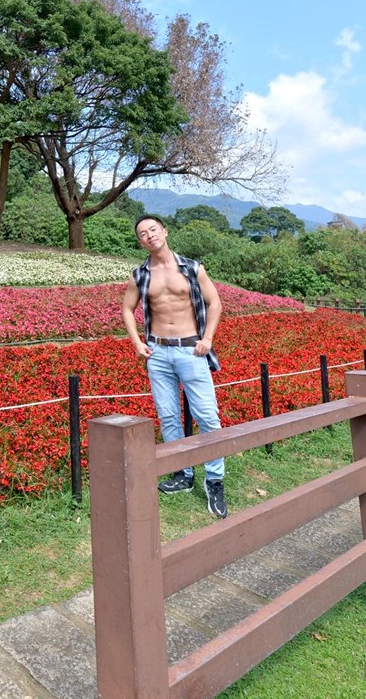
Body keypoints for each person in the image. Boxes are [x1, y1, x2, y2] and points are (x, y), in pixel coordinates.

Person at [122, 214, 227, 519]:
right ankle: (183, 473)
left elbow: (215, 302)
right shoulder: (140, 274)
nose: (149, 235)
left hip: (191, 351)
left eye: (153, 229)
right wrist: (136, 342)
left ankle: (214, 479)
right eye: (142, 233)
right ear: (140, 241)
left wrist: (207, 338)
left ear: (164, 232)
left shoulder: (193, 268)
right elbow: (127, 309)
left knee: (208, 415)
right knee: (169, 417)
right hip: (158, 353)